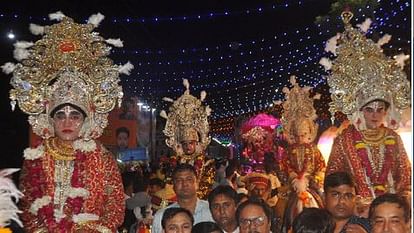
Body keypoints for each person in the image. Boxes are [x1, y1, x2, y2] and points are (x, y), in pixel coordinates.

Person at [3, 12, 133, 232]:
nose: (67, 122)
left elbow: (116, 206)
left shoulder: (102, 158)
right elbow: (27, 205)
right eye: (60, 115)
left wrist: (94, 230)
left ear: (86, 120)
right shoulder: (36, 158)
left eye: (75, 116)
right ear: (50, 119)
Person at [323, 10, 411, 208]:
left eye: (380, 109)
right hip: (356, 210)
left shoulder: (393, 137)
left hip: (390, 208)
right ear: (360, 111)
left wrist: (403, 196)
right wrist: (351, 201)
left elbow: (405, 174)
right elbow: (333, 178)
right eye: (370, 109)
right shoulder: (345, 139)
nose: (375, 114)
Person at [278, 76, 326, 233]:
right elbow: (284, 166)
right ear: (292, 134)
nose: (300, 138)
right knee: (281, 210)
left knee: (325, 205)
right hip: (293, 187)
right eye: (297, 135)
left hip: (312, 185)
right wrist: (294, 179)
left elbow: (321, 166)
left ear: (310, 132)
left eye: (303, 134)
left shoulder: (314, 149)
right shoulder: (288, 151)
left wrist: (311, 179)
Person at [160, 79, 215, 199]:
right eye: (185, 144)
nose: (188, 147)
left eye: (191, 143)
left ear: (197, 143)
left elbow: (206, 187)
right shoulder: (173, 162)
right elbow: (169, 184)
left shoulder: (206, 163)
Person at [152, 164, 214, 233]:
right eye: (179, 180)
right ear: (173, 186)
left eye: (189, 179)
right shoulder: (161, 216)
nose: (184, 184)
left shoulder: (212, 211)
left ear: (197, 184)